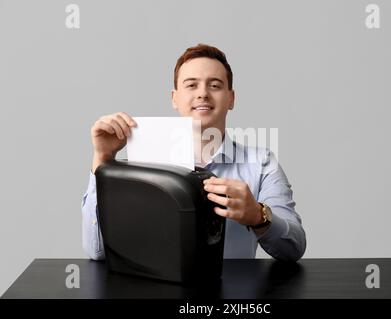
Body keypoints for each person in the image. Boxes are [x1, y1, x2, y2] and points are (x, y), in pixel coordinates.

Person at [81, 44, 306, 261]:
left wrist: (258, 216)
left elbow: (294, 248)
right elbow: (96, 252)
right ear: (174, 98)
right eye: (191, 85)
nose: (203, 94)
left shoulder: (262, 164)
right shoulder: (141, 165)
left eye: (215, 85)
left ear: (231, 99)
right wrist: (102, 159)